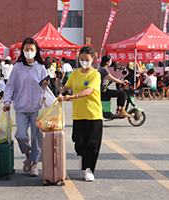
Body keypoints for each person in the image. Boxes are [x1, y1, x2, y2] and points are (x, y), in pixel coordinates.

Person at [3, 37, 49, 177]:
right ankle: (29, 156)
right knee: (21, 136)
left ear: (36, 51)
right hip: (21, 107)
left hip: (37, 107)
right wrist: (7, 101)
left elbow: (46, 88)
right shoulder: (17, 67)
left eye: (32, 49)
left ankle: (34, 164)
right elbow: (10, 85)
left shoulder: (41, 68)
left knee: (37, 137)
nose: (29, 52)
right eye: (27, 49)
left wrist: (46, 88)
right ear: (22, 51)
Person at [58, 46, 102, 182]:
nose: (84, 61)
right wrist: (61, 92)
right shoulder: (75, 74)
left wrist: (71, 97)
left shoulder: (95, 74)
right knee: (79, 142)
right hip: (78, 114)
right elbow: (66, 86)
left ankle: (89, 169)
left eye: (87, 59)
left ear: (92, 59)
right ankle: (83, 157)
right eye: (81, 59)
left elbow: (88, 91)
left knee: (93, 143)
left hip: (93, 114)